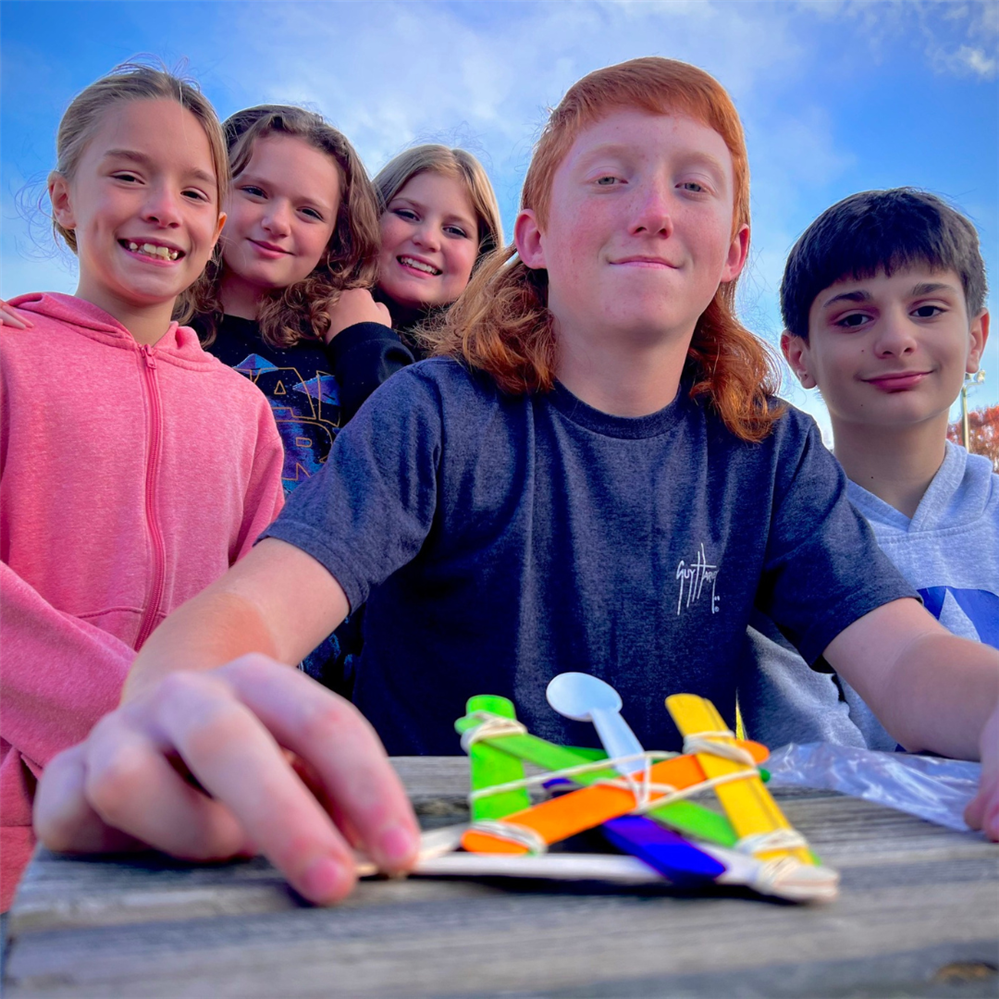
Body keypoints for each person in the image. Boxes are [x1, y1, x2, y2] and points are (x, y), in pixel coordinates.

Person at [33, 58, 999, 909]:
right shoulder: (436, 413)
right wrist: (174, 705)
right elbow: (252, 609)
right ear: (531, 238)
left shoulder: (771, 450)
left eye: (691, 185)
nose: (652, 209)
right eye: (609, 178)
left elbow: (911, 667)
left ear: (733, 252)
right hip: (415, 879)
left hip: (673, 896)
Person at [0, 64, 287, 910]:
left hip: (191, 813)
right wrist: (140, 710)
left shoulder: (245, 413)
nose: (164, 207)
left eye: (194, 191)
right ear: (62, 199)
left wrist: (211, 747)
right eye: (128, 175)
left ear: (217, 224)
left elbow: (260, 611)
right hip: (21, 828)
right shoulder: (9, 356)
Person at [745, 188, 995, 750]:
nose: (897, 341)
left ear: (976, 338)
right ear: (799, 356)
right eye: (855, 318)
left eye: (927, 309)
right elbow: (818, 763)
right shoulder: (780, 544)